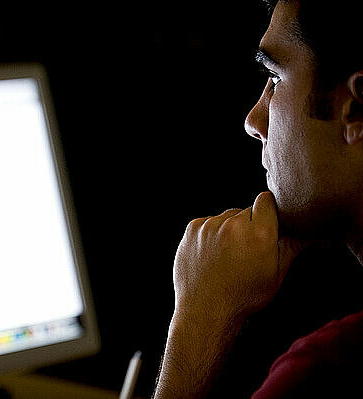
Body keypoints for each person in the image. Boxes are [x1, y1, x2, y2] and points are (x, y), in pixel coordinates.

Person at [153, 0, 363, 397]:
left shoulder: (328, 371)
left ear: (356, 109)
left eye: (276, 78)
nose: (254, 120)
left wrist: (199, 320)